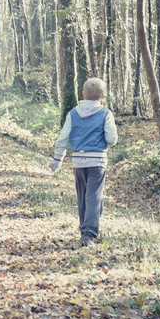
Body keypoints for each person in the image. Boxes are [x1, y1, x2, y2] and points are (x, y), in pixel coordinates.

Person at [49, 77, 118, 247]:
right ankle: (89, 233)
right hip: (98, 162)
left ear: (82, 94)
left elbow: (63, 137)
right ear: (102, 96)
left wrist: (57, 158)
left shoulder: (73, 113)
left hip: (79, 161)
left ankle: (85, 230)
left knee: (82, 196)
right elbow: (111, 139)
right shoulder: (105, 114)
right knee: (94, 196)